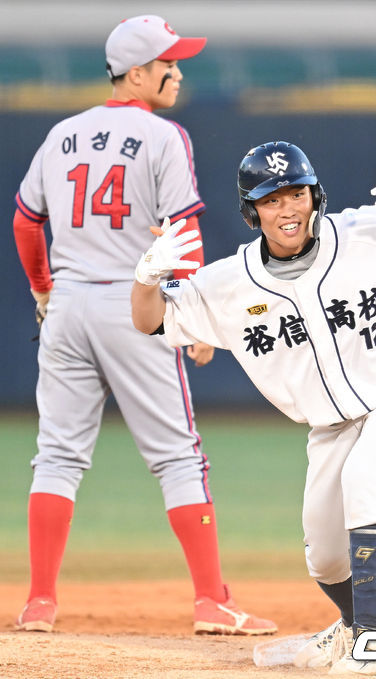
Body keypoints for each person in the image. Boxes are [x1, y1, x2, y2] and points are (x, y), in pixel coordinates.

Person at [131, 140, 376, 674]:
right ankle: (351, 626)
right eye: (272, 200)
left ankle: (375, 642)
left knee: (369, 482)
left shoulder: (365, 233)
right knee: (323, 554)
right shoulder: (229, 283)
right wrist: (145, 279)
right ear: (253, 211)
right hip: (331, 426)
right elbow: (150, 321)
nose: (288, 209)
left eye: (296, 193)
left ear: (314, 195)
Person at [13, 15, 276, 637]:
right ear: (137, 73)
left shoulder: (61, 135)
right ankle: (213, 602)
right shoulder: (164, 137)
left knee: (55, 457)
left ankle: (39, 603)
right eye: (168, 64)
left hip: (69, 306)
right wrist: (195, 316)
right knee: (180, 459)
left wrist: (44, 290)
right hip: (134, 307)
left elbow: (27, 223)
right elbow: (182, 232)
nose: (178, 73)